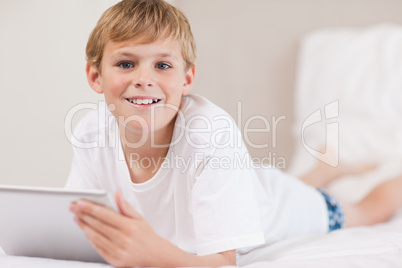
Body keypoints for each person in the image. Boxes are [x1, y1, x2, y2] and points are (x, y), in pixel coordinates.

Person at [67, 0, 402, 267]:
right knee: (269, 188)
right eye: (126, 64)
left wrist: (154, 254)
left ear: (187, 79)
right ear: (95, 76)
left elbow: (222, 263)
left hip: (278, 203)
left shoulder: (210, 135)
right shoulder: (91, 130)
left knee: (368, 209)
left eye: (163, 65)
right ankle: (324, 170)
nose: (144, 78)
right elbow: (74, 222)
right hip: (251, 186)